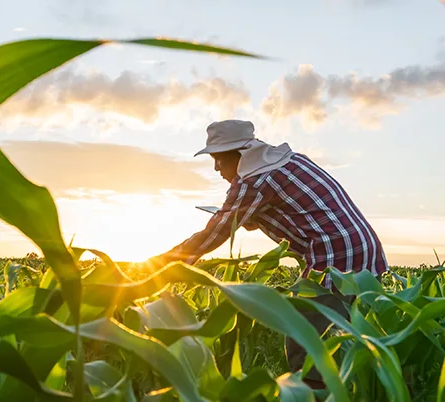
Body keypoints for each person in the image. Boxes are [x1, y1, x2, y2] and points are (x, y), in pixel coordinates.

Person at [146, 119, 389, 389]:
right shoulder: (287, 162)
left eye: (218, 159)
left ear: (239, 155)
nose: (216, 168)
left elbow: (213, 234)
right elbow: (293, 211)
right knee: (356, 338)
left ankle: (312, 394)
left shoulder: (255, 181)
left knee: (305, 338)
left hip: (336, 257)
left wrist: (160, 266)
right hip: (363, 250)